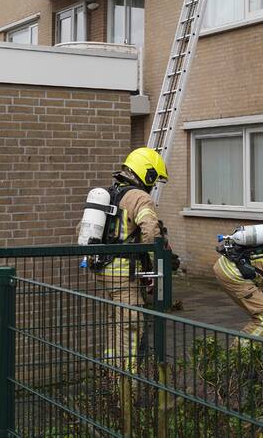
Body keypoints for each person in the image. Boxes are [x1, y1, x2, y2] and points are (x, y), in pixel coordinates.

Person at [93, 147, 168, 371]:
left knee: (115, 324)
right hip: (124, 274)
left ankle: (110, 377)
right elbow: (151, 232)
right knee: (131, 328)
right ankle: (128, 387)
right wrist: (157, 266)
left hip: (102, 271)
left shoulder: (111, 194)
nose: (153, 186)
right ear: (147, 174)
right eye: (154, 180)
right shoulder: (139, 197)